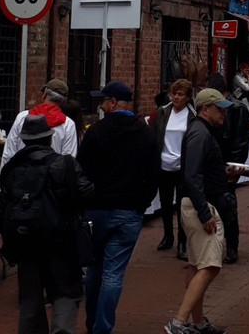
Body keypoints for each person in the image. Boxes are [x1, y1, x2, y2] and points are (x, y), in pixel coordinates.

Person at [77, 80, 159, 334]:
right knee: (113, 274)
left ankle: (93, 324)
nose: (100, 105)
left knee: (94, 270)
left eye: (103, 101)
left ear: (113, 103)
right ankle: (102, 327)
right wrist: (141, 205)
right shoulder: (145, 133)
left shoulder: (96, 131)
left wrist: (87, 201)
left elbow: (81, 170)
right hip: (128, 212)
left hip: (97, 210)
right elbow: (154, 174)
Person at [0, 115, 94, 334]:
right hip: (61, 240)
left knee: (30, 298)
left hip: (26, 241)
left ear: (24, 140)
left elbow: (4, 208)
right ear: (50, 138)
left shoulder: (12, 169)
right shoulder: (65, 164)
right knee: (65, 293)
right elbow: (87, 193)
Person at [164, 88, 237, 334]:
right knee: (211, 265)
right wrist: (204, 213)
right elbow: (191, 175)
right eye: (220, 108)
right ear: (206, 108)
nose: (224, 113)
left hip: (199, 201)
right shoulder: (199, 133)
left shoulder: (202, 131)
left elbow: (198, 171)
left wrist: (222, 173)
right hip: (200, 205)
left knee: (197, 265)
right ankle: (179, 322)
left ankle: (197, 322)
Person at [206, 72, 249, 264]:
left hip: (226, 166)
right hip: (213, 165)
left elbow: (240, 142)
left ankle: (232, 246)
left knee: (228, 205)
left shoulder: (237, 109)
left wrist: (232, 168)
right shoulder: (210, 110)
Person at [153, 78, 195, 259]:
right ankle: (167, 235)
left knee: (182, 205)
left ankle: (182, 241)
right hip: (164, 163)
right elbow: (155, 135)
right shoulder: (163, 112)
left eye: (180, 95)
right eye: (174, 94)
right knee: (165, 202)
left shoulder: (192, 115)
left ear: (187, 97)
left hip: (182, 165)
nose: (176, 97)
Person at [0, 78, 79, 171]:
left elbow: (9, 153)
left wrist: (4, 180)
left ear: (44, 94)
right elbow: (68, 160)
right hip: (50, 181)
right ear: (63, 101)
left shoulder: (22, 117)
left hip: (22, 178)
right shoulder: (68, 125)